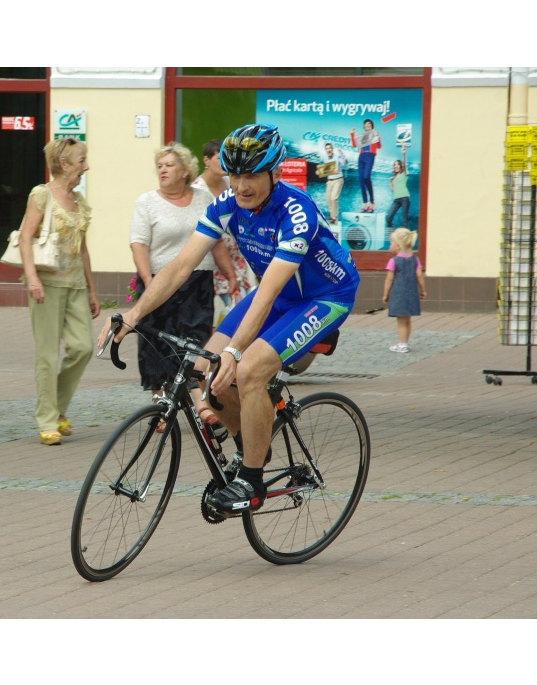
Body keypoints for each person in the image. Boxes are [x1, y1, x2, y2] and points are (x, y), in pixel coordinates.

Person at [99, 124, 361, 514]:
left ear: (275, 173)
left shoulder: (296, 210)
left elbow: (268, 292)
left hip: (325, 297)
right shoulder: (226, 204)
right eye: (235, 174)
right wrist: (134, 314)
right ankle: (252, 445)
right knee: (202, 368)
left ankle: (252, 484)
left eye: (252, 174)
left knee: (249, 369)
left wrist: (237, 350)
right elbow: (182, 264)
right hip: (283, 294)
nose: (242, 185)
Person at [129, 142, 238, 426]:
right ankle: (160, 404)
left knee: (196, 342)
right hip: (159, 282)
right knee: (156, 345)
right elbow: (138, 244)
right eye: (160, 166)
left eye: (169, 165)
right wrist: (148, 280)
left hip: (197, 281)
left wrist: (230, 275)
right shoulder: (147, 202)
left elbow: (214, 242)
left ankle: (199, 404)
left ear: (185, 171)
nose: (163, 170)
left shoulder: (203, 199)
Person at [19, 137, 101, 446]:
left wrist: (94, 291)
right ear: (64, 164)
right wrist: (32, 279)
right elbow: (26, 237)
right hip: (47, 285)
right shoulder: (42, 196)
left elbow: (83, 251)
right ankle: (47, 420)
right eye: (81, 161)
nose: (86, 166)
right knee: (47, 355)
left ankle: (57, 408)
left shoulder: (79, 201)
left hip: (76, 285)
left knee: (83, 348)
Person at [192, 138, 252, 324]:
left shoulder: (230, 182)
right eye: (219, 158)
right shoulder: (197, 189)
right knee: (236, 310)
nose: (223, 162)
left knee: (237, 308)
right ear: (206, 161)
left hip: (238, 258)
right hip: (214, 260)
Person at [381, 227, 426, 353]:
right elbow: (420, 277)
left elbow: (389, 280)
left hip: (399, 295)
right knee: (407, 320)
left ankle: (402, 344)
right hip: (412, 294)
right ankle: (405, 342)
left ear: (398, 246)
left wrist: (385, 294)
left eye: (392, 243)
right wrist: (423, 291)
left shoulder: (393, 261)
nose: (390, 245)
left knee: (401, 321)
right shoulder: (415, 260)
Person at [350, 118, 381, 212]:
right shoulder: (363, 136)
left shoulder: (375, 133)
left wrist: (378, 137)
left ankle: (372, 202)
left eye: (369, 124)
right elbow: (354, 145)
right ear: (364, 126)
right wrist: (352, 134)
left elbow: (379, 146)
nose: (367, 126)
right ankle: (365, 203)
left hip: (370, 155)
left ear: (371, 126)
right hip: (362, 156)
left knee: (366, 177)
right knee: (361, 179)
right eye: (365, 124)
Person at [321, 142, 348, 225]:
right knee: (328, 199)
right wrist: (320, 172)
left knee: (334, 198)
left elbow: (344, 163)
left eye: (330, 148)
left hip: (338, 180)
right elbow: (327, 170)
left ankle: (334, 217)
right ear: (325, 150)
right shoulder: (325, 159)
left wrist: (342, 154)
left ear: (332, 149)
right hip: (330, 181)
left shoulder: (337, 156)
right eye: (327, 148)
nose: (328, 150)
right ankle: (332, 216)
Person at [385, 144, 410, 229]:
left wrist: (404, 154)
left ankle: (405, 240)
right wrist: (390, 182)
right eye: (394, 164)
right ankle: (392, 233)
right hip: (396, 199)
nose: (395, 166)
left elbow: (405, 165)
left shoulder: (404, 174)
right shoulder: (394, 178)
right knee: (388, 218)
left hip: (405, 199)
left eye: (397, 164)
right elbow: (393, 190)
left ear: (400, 166)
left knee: (404, 220)